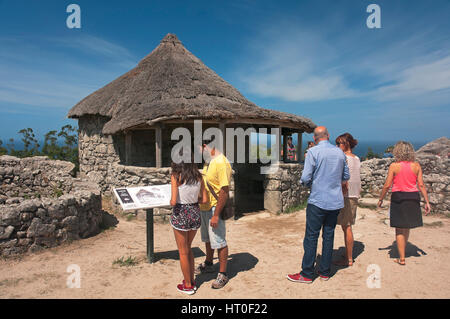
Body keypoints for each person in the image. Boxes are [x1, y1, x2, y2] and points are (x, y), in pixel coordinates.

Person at [287, 126, 350, 283]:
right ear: (328, 136)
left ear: (315, 138)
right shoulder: (340, 153)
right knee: (328, 236)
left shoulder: (313, 152)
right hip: (335, 201)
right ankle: (325, 272)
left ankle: (307, 273)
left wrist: (309, 184)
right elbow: (346, 176)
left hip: (318, 200)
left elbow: (306, 177)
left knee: (311, 236)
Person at [377, 141, 431, 265]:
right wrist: (427, 202)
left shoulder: (394, 166)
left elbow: (387, 185)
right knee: (406, 226)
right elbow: (421, 185)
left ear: (397, 151)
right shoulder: (416, 166)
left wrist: (381, 198)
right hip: (413, 197)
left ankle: (401, 258)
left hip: (399, 197)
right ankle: (403, 252)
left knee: (399, 228)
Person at [195, 138, 232, 289]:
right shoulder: (208, 161)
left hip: (215, 208)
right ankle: (209, 263)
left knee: (219, 240)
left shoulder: (221, 163)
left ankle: (223, 274)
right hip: (205, 207)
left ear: (205, 146)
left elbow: (224, 191)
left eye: (199, 149)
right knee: (208, 239)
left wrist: (216, 214)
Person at [170, 157, 208, 295]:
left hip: (181, 214)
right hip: (195, 212)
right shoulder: (199, 176)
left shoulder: (176, 176)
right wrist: (193, 199)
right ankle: (191, 280)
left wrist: (170, 199)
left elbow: (174, 201)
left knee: (182, 251)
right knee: (188, 248)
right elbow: (204, 199)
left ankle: (188, 285)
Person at [334, 133, 361, 267]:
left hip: (346, 196)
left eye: (339, 143)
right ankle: (348, 253)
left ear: (346, 144)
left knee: (347, 227)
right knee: (347, 225)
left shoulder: (343, 158)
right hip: (354, 195)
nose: (337, 146)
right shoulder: (356, 158)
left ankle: (348, 259)